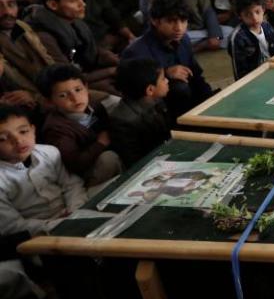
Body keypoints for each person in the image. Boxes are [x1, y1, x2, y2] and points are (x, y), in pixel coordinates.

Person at [122, 0, 213, 120]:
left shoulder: (184, 40)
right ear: (155, 21)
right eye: (171, 21)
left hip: (190, 106)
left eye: (183, 21)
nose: (179, 28)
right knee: (179, 88)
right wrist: (164, 73)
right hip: (157, 115)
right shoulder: (136, 52)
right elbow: (138, 96)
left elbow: (196, 75)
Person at [0, 105, 87, 237]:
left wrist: (75, 211)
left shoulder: (49, 152)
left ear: (33, 130)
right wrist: (55, 224)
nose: (18, 141)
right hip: (40, 231)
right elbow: (12, 225)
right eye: (3, 139)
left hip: (71, 210)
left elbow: (71, 184)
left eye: (23, 131)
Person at [28, 0, 118, 96]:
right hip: (69, 87)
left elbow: (91, 50)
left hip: (88, 73)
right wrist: (110, 71)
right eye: (74, 1)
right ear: (53, 5)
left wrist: (116, 61)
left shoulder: (74, 20)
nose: (82, 4)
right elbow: (67, 76)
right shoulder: (44, 36)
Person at [36, 64, 122, 188]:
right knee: (108, 158)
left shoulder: (94, 105)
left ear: (86, 87)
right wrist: (100, 144)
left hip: (106, 152)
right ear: (49, 101)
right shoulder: (56, 129)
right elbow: (75, 164)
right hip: (85, 173)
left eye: (78, 90)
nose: (75, 98)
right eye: (63, 95)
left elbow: (107, 128)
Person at [108, 58, 171, 169]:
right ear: (150, 90)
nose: (167, 81)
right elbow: (134, 161)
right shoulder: (123, 120)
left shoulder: (156, 99)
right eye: (163, 79)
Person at [227, 0, 274, 80]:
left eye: (257, 12)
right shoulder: (237, 38)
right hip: (255, 78)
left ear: (263, 9)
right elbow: (240, 73)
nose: (255, 18)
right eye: (248, 14)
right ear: (240, 16)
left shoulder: (268, 27)